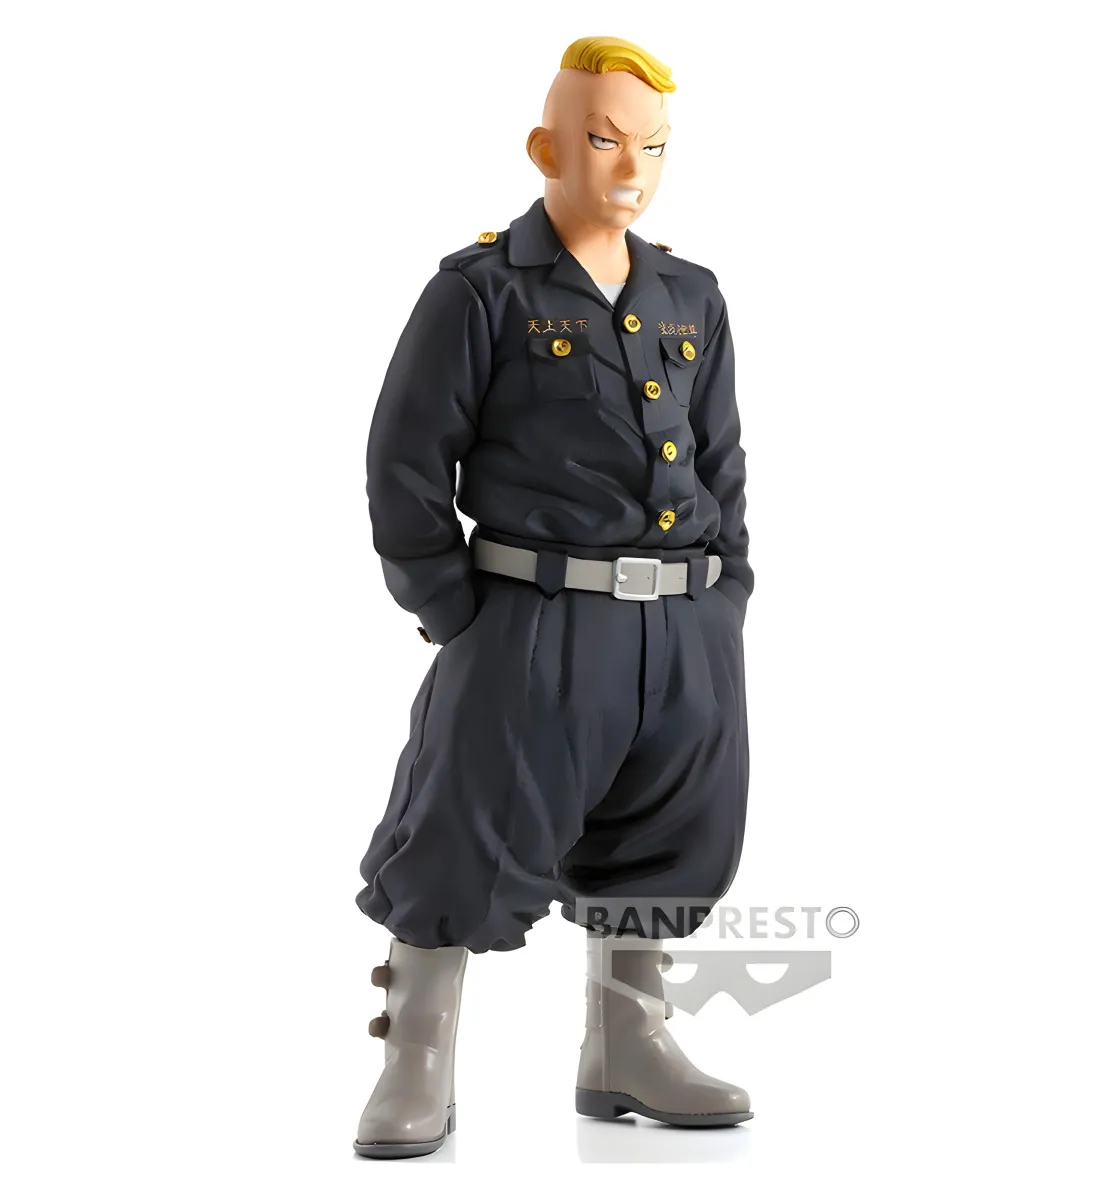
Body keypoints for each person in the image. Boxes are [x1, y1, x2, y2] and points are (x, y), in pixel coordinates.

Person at [353, 35, 755, 1158]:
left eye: (654, 147)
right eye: (604, 140)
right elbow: (403, 466)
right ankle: (416, 1057)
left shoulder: (690, 293)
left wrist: (724, 598)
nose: (631, 168)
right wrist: (455, 612)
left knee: (670, 829)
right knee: (466, 828)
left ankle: (627, 1043)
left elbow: (722, 459)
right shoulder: (481, 289)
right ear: (546, 148)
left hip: (680, 625)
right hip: (533, 620)